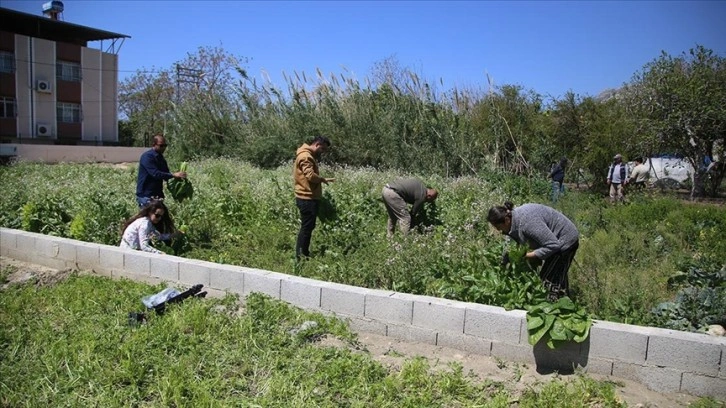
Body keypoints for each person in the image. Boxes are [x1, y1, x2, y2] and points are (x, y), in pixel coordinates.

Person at [487, 202, 579, 302]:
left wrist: (526, 256)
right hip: (554, 241)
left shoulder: (528, 223)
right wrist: (505, 262)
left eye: (498, 227)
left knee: (547, 283)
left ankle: (554, 308)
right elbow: (510, 244)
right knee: (557, 275)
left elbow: (553, 245)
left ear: (506, 220)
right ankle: (566, 302)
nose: (498, 230)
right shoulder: (512, 220)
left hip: (564, 240)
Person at [293, 135, 334, 259]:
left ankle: (303, 253)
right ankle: (300, 256)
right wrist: (322, 179)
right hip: (307, 198)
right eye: (323, 149)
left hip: (307, 197)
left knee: (308, 226)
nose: (323, 152)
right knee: (306, 228)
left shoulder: (306, 154)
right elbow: (310, 175)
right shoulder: (306, 156)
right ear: (317, 144)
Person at [136, 134, 187, 208]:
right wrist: (173, 175)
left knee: (158, 218)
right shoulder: (147, 157)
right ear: (154, 144)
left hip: (157, 195)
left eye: (165, 145)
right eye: (161, 145)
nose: (163, 148)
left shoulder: (161, 158)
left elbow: (166, 175)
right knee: (148, 219)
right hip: (146, 195)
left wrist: (179, 179)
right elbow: (155, 174)